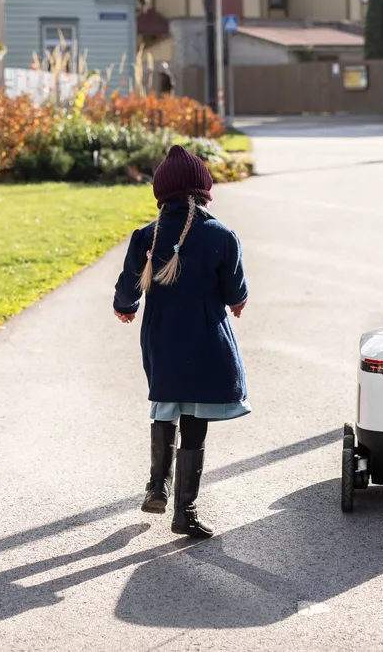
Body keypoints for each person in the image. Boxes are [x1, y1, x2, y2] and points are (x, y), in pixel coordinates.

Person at [113, 145, 250, 539]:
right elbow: (233, 290)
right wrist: (238, 303)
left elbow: (127, 286)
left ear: (162, 194)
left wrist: (125, 306)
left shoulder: (145, 236)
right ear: (203, 191)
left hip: (161, 337)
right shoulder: (221, 236)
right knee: (194, 420)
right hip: (204, 338)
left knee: (165, 404)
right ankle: (184, 512)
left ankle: (157, 485)